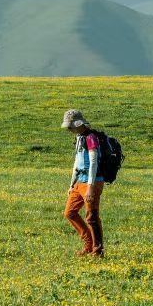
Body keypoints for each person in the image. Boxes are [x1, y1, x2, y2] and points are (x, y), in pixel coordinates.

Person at [61, 109, 105, 257]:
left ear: (79, 124)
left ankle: (97, 251)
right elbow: (77, 162)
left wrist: (90, 188)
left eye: (70, 126)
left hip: (92, 182)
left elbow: (93, 163)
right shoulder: (79, 138)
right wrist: (71, 184)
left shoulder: (91, 138)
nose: (69, 129)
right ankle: (88, 243)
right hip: (79, 181)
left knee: (91, 217)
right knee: (69, 212)